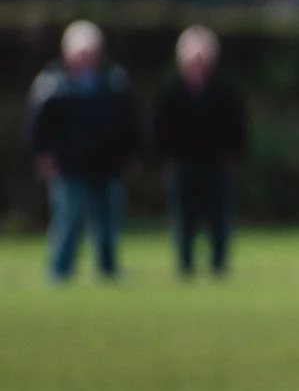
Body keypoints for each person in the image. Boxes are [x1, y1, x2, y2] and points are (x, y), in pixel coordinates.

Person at [26, 21, 140, 283]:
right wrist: (43, 156)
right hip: (68, 166)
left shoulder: (114, 82)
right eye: (81, 52)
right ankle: (60, 270)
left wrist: (130, 154)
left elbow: (129, 123)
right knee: (67, 221)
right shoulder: (51, 85)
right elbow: (36, 126)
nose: (86, 57)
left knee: (107, 223)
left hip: (107, 164)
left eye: (91, 52)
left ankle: (108, 270)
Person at [153, 25, 248, 278]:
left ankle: (219, 263)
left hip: (216, 163)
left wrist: (234, 154)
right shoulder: (172, 90)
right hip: (183, 164)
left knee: (219, 217)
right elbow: (161, 128)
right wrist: (166, 156)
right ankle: (185, 264)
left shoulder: (225, 89)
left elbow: (237, 126)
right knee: (184, 217)